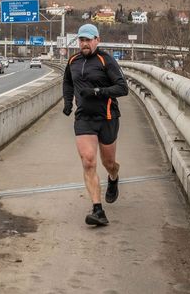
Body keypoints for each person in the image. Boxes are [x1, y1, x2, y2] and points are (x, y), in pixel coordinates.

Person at [63, 23, 128, 226]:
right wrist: (67, 102)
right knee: (89, 161)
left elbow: (122, 88)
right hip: (84, 119)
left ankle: (114, 177)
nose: (84, 43)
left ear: (97, 40)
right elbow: (67, 82)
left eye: (88, 40)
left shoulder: (105, 60)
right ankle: (98, 210)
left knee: (109, 163)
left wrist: (98, 92)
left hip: (107, 117)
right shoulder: (73, 61)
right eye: (81, 40)